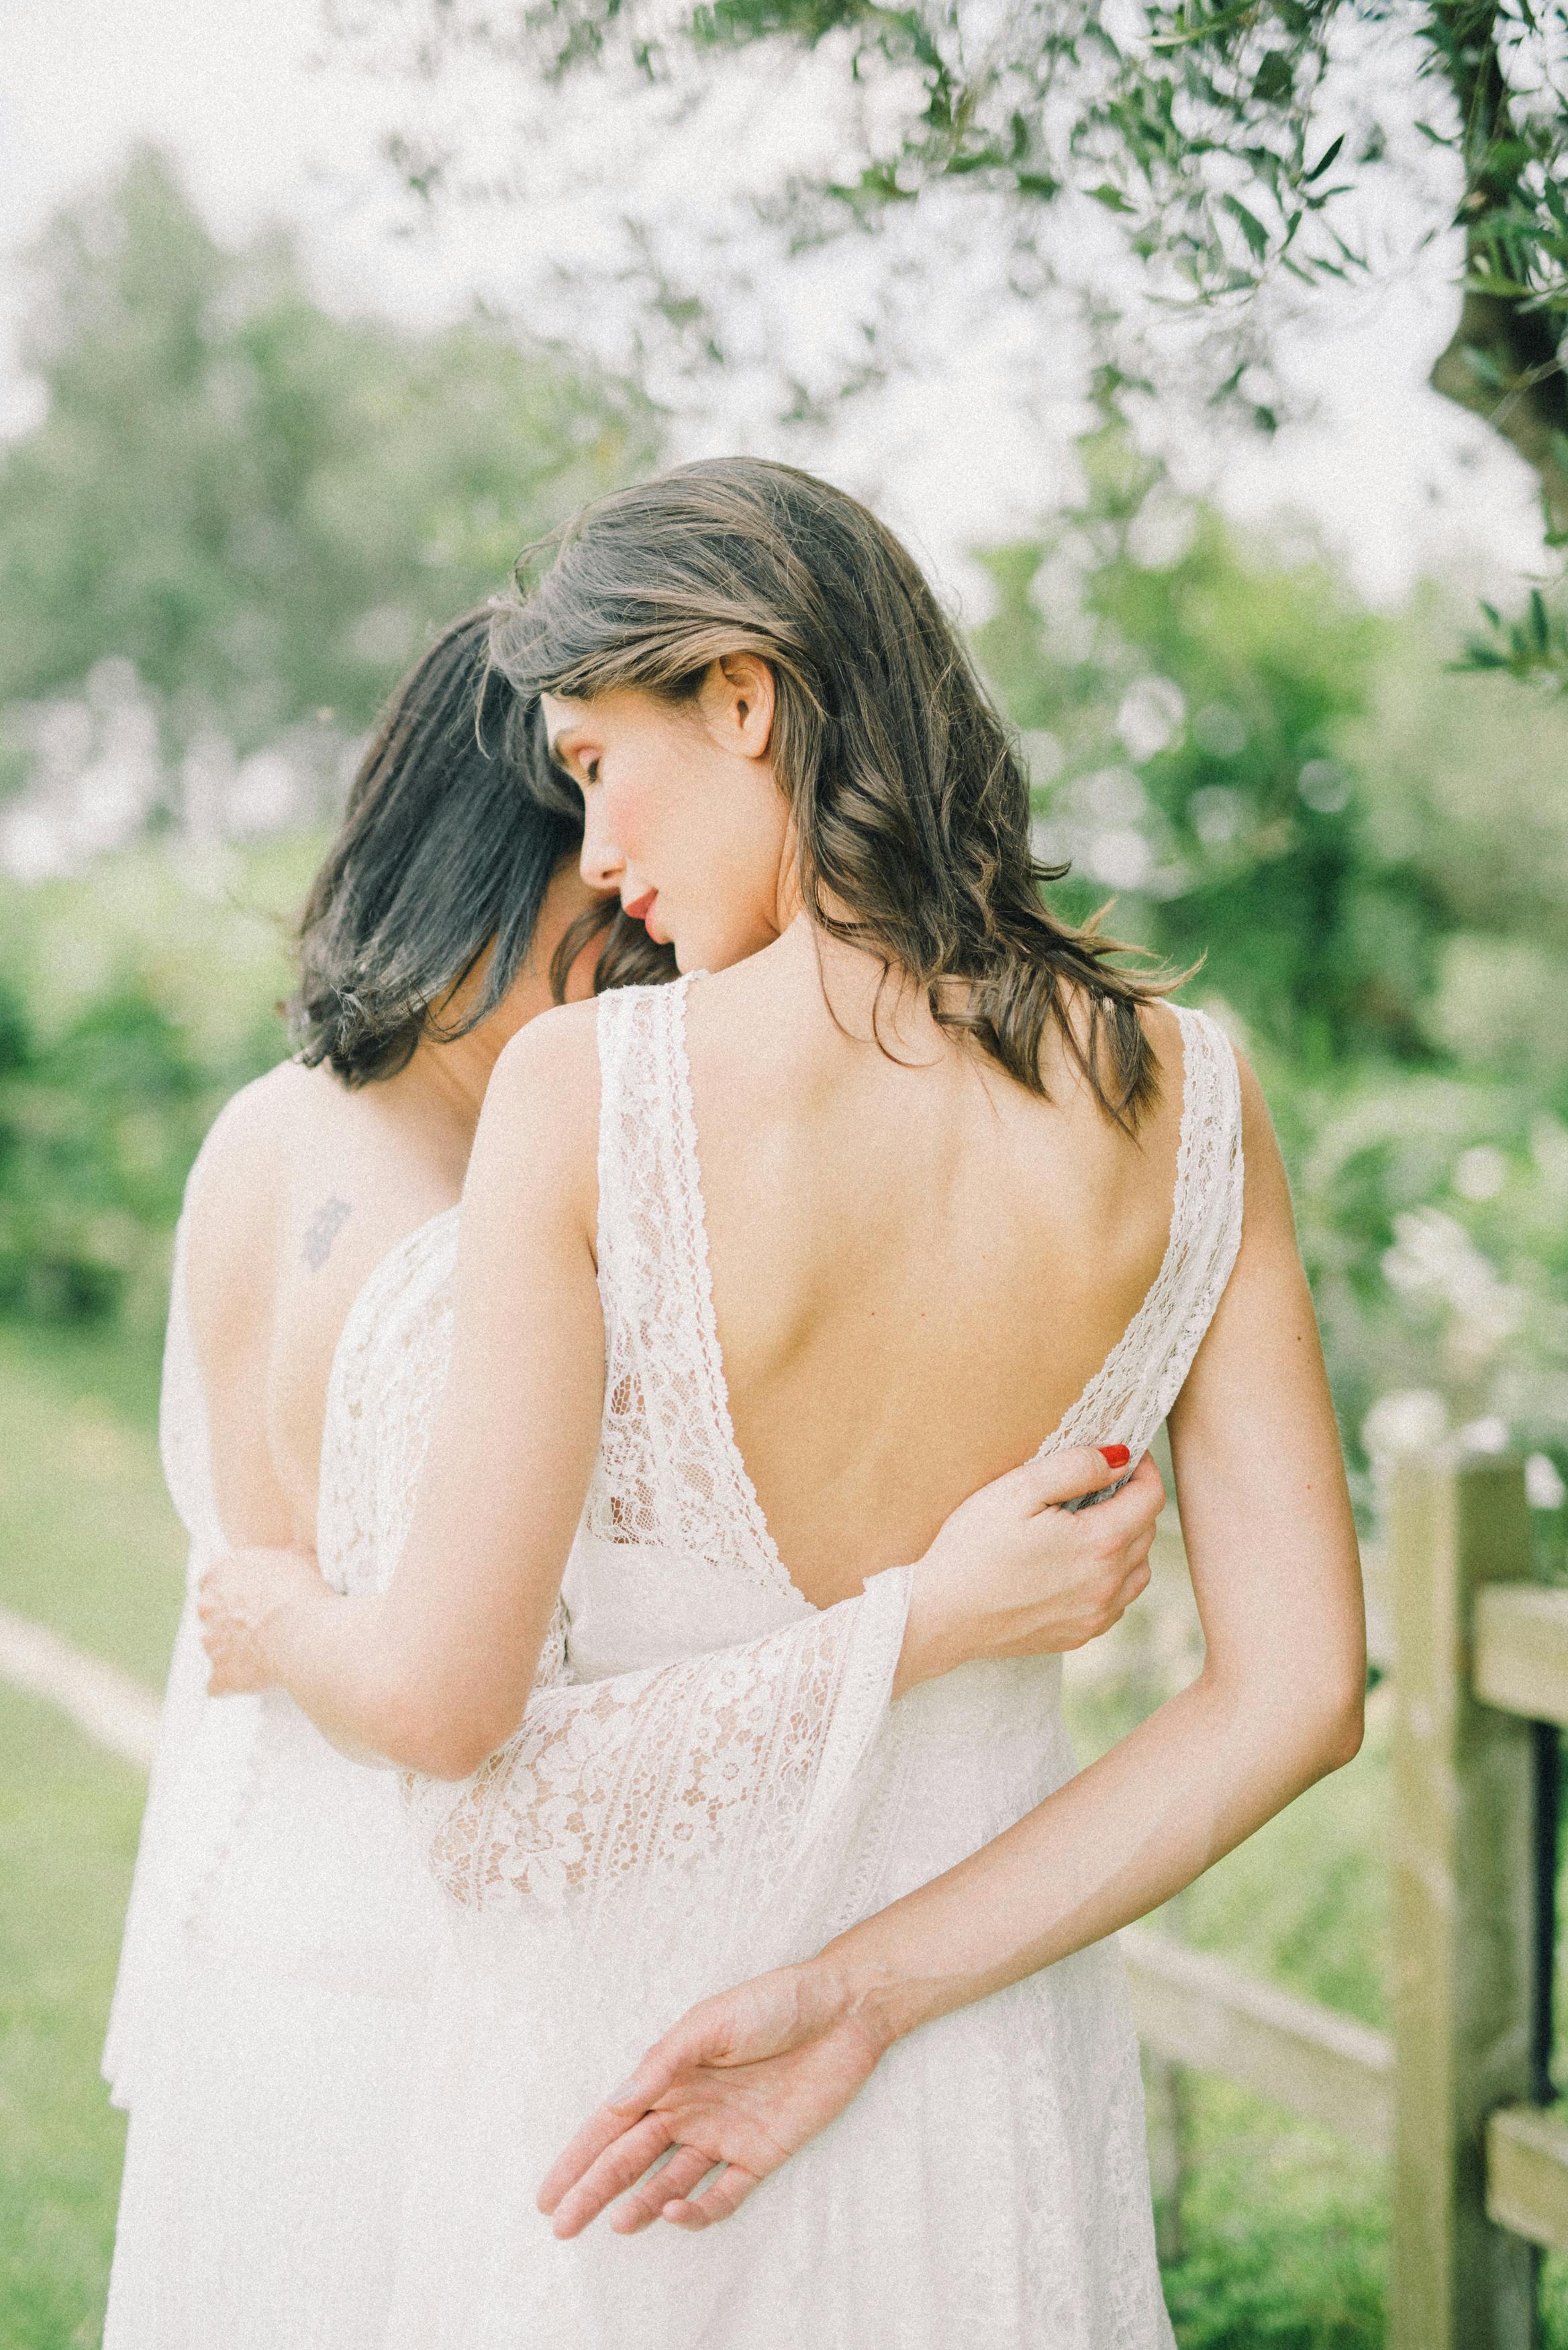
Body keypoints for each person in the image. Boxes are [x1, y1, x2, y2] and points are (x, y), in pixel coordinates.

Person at [199, 459, 1364, 2349]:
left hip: (623, 2096)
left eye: (595, 759)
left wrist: (286, 1620)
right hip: (979, 2070)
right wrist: (877, 1992)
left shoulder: (589, 1094)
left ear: (744, 696)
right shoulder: (1193, 1101)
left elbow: (441, 1702)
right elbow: (1304, 1691)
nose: (591, 854)